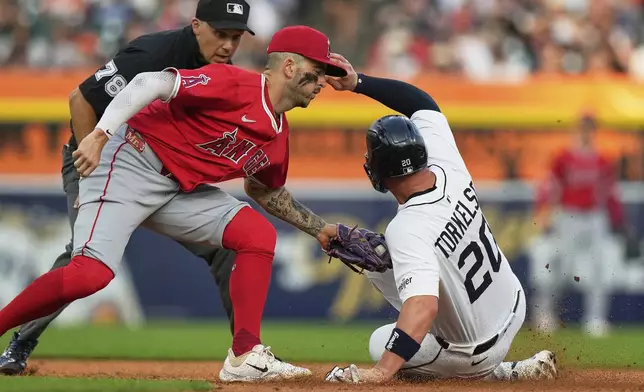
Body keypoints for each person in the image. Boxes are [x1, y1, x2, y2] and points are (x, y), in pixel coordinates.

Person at [0, 25, 348, 382]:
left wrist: (320, 230)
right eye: (316, 70)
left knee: (256, 233)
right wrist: (100, 134)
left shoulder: (278, 135)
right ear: (289, 66)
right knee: (90, 275)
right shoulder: (236, 84)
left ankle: (244, 356)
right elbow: (150, 83)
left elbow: (265, 191)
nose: (321, 81)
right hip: (131, 160)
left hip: (176, 189)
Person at [0, 0, 255, 376]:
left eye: (236, 38)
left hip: (161, 175)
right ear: (196, 25)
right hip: (101, 162)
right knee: (84, 257)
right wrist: (96, 169)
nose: (228, 46)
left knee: (229, 247)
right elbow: (81, 99)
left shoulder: (223, 72)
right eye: (221, 34)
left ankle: (248, 356)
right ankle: (22, 341)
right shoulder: (155, 52)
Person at [323, 54, 557, 383]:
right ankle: (516, 368)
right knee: (380, 258)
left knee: (380, 343)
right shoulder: (446, 163)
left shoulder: (406, 229)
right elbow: (422, 101)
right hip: (514, 306)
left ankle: (504, 374)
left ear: (381, 171)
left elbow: (422, 308)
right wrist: (358, 82)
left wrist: (380, 373)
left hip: (477, 352)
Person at [529, 113, 633, 337]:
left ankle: (595, 319)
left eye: (590, 128)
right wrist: (544, 210)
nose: (587, 132)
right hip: (569, 216)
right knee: (562, 268)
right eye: (584, 127)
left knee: (599, 268)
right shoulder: (564, 158)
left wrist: (619, 219)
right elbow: (550, 186)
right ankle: (545, 313)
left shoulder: (603, 159)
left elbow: (609, 193)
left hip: (595, 216)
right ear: (577, 129)